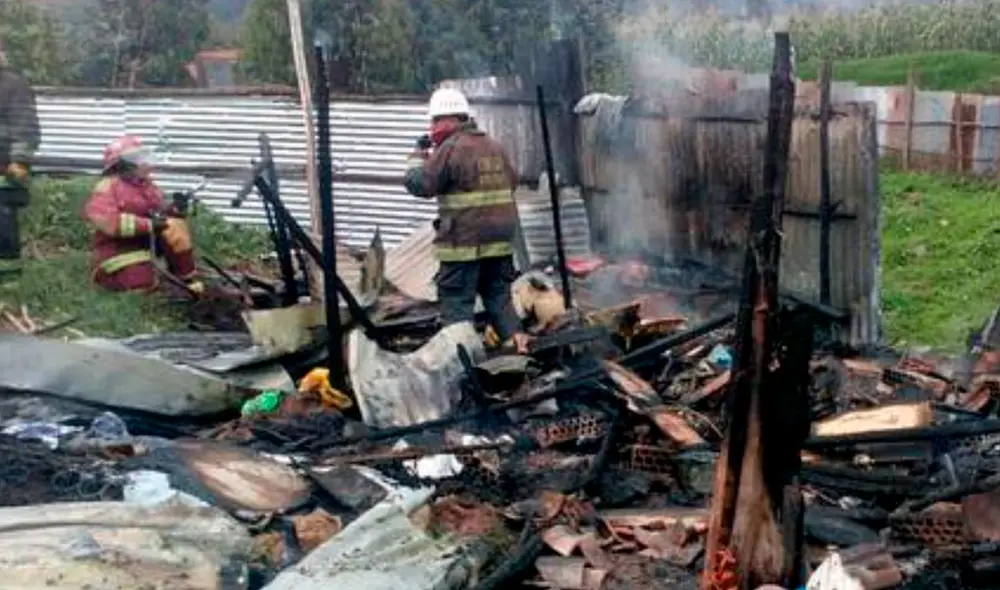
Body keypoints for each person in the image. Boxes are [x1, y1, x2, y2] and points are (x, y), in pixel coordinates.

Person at [404, 87, 531, 352]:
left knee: (456, 305)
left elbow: (420, 184)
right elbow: (512, 181)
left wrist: (416, 157)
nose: (432, 128)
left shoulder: (451, 148)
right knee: (499, 299)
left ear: (448, 120)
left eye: (434, 121)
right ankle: (519, 346)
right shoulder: (495, 146)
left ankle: (462, 362)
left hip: (463, 245)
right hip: (499, 244)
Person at [84, 135, 203, 294]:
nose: (145, 163)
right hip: (116, 252)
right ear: (123, 164)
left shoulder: (148, 187)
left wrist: (175, 209)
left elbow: (160, 214)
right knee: (140, 280)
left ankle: (186, 277)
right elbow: (110, 223)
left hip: (145, 247)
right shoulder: (107, 188)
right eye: (138, 159)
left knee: (176, 226)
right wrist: (149, 225)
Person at [0, 40, 40, 266]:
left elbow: (24, 127)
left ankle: (7, 275)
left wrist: (20, 161)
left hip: (4, 170)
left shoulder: (12, 85)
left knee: (3, 226)